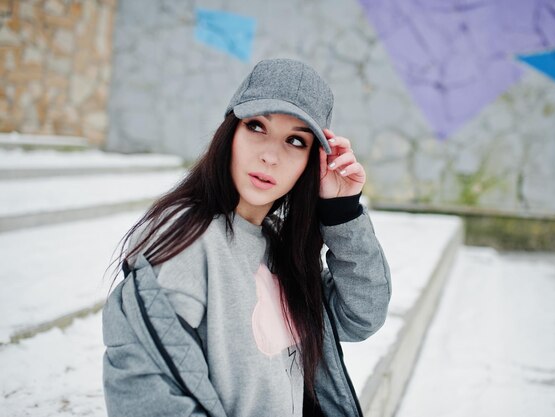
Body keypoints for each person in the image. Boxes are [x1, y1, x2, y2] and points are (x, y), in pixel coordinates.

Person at [102, 58, 391, 417]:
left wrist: (342, 212)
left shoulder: (280, 248)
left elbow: (361, 315)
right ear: (230, 133)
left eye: (295, 141)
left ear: (311, 162)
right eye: (257, 126)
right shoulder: (185, 243)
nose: (270, 155)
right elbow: (145, 395)